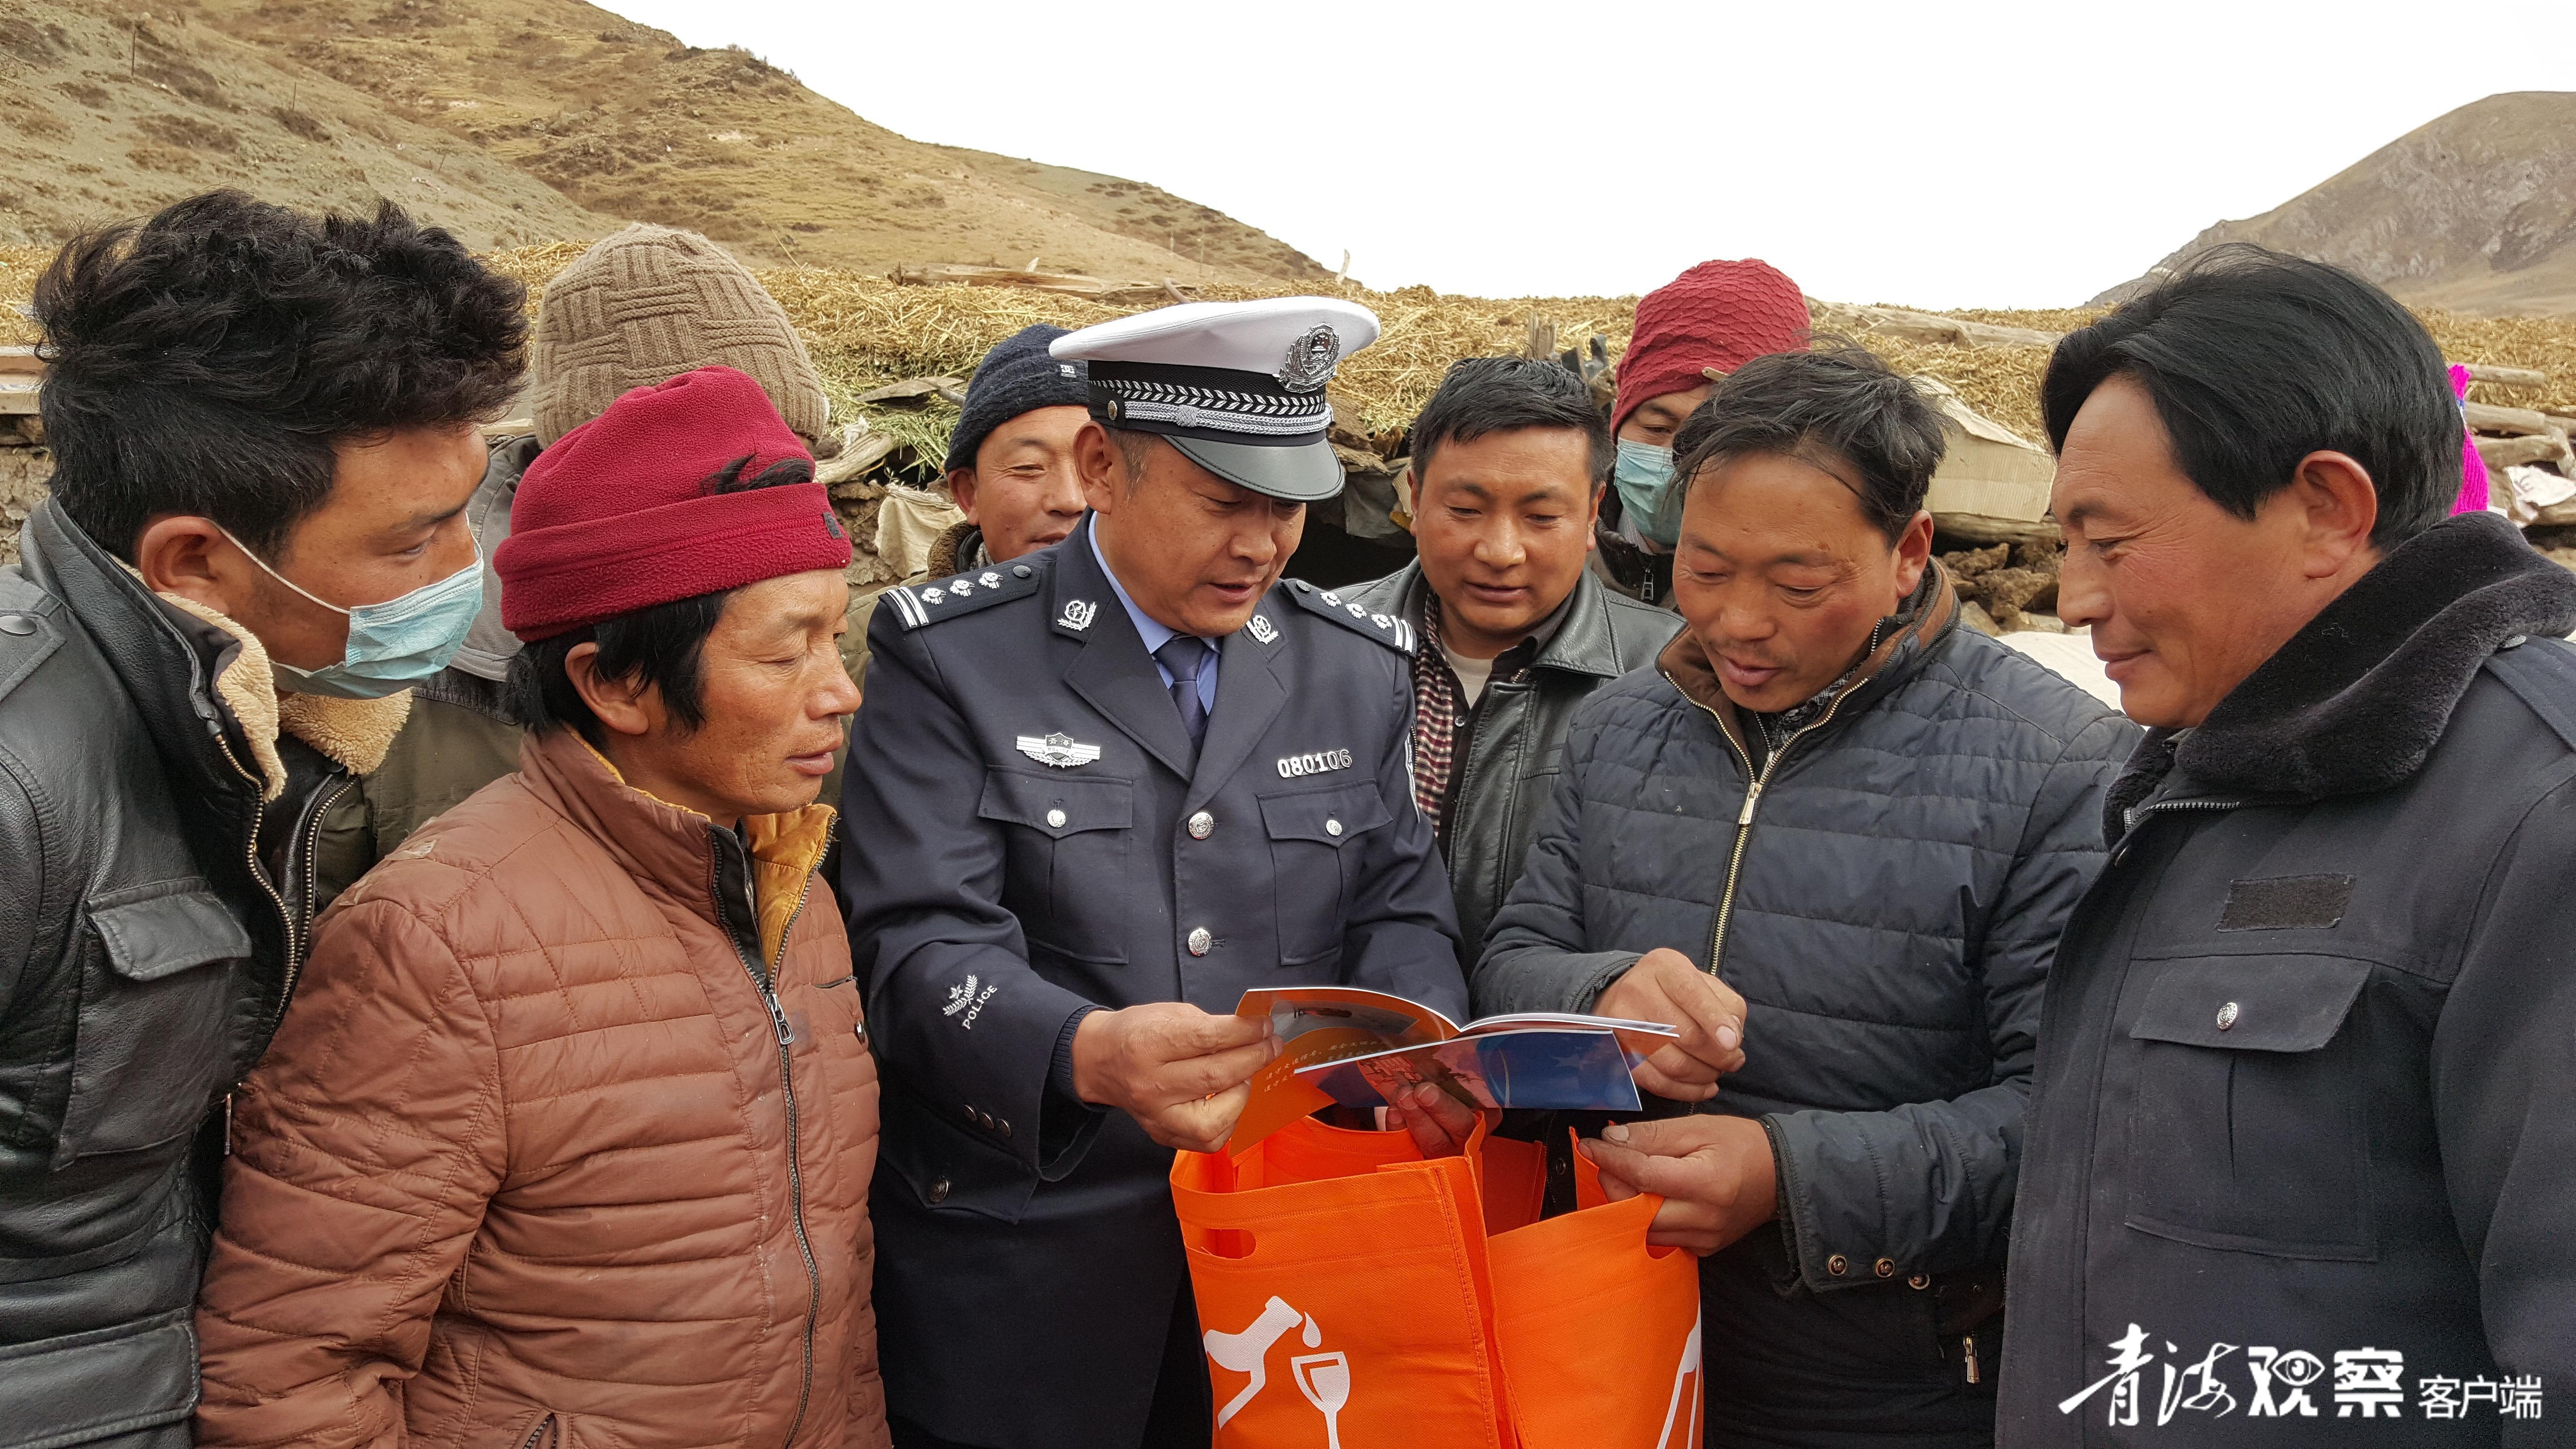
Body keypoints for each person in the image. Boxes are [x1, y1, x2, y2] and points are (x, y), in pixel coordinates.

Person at [193, 366, 888, 1447]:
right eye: (783, 648)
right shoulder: (434, 948)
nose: (837, 686)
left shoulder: (787, 882)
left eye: (834, 638)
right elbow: (291, 1374)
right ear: (615, 685)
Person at [1477, 345, 2138, 1449]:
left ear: (1905, 550)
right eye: (1705, 566)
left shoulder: (2055, 762)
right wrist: (1597, 997)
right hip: (1612, 1351)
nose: (1737, 621)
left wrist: (1787, 1179)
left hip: (1894, 1385)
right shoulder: (1613, 729)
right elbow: (1509, 963)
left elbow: (2077, 1123)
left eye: (1795, 583)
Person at [840, 297, 1468, 1449]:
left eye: (1287, 506)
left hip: (1290, 1261)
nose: (1261, 545)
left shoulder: (1349, 666)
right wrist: (1074, 1049)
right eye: (1223, 501)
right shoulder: (947, 659)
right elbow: (910, 943)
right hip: (1030, 1274)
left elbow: (1394, 899)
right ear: (1101, 465)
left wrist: (1418, 1038)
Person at [1998, 247, 2576, 1448]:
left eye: (2106, 542)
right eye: (2062, 545)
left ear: (2323, 508)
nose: (2070, 599)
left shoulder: (2535, 812)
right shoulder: (2190, 776)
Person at [0, 192, 523, 1446]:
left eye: (472, 507)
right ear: (196, 563)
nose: (471, 566)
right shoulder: (24, 789)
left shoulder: (266, 717)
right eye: (411, 543)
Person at [339, 221, 841, 878]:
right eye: (739, 481)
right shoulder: (382, 655)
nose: (777, 515)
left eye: (793, 475)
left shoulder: (834, 651)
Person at [1346, 356, 1680, 961]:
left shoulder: (1669, 675)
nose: (1500, 552)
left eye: (1541, 517)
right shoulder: (1315, 645)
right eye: (1466, 511)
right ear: (1415, 498)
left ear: (1591, 511)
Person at [1594, 258, 1812, 609]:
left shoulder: (1806, 594)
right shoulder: (1555, 552)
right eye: (1656, 428)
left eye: (1714, 436)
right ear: (1619, 427)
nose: (1677, 459)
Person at [926, 323, 1093, 575]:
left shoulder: (1168, 611)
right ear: (969, 493)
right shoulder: (888, 614)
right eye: (1029, 467)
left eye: (1098, 467)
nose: (1070, 501)